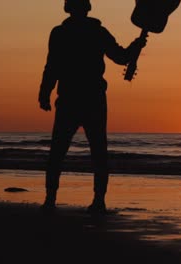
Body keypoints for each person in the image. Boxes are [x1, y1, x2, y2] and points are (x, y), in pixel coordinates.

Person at [39, 0, 146, 213]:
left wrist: (45, 92)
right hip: (92, 98)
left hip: (71, 97)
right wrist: (135, 46)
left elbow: (52, 65)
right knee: (98, 151)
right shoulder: (97, 32)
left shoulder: (60, 33)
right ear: (87, 9)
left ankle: (51, 199)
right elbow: (121, 57)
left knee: (59, 151)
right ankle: (98, 200)